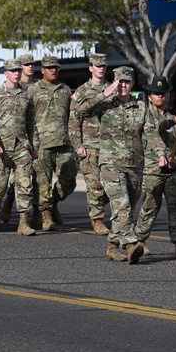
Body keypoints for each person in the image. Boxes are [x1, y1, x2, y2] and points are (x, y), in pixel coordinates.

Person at [95, 66, 168, 264]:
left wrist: (161, 152)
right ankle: (131, 244)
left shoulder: (141, 107)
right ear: (114, 82)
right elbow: (80, 109)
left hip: (135, 165)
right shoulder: (104, 104)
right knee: (122, 204)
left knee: (125, 209)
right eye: (120, 82)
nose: (123, 86)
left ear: (133, 84)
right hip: (110, 163)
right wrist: (104, 93)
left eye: (127, 82)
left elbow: (151, 132)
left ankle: (112, 247)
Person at [135, 75, 176, 259]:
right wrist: (175, 121)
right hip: (153, 171)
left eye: (163, 93)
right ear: (149, 96)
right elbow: (155, 129)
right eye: (156, 93)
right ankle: (140, 242)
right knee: (150, 206)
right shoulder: (145, 117)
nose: (160, 96)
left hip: (174, 172)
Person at [0, 57, 37, 236]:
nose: (16, 74)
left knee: (25, 184)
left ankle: (23, 222)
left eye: (18, 71)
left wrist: (34, 146)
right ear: (5, 73)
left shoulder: (26, 95)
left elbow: (31, 123)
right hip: (2, 147)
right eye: (13, 71)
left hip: (22, 145)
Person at [29, 55, 77, 231]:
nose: (53, 70)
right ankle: (46, 215)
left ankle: (54, 201)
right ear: (42, 70)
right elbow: (28, 118)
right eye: (50, 68)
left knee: (69, 179)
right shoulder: (33, 90)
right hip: (41, 143)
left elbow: (72, 116)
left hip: (63, 142)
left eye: (56, 68)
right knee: (43, 183)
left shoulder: (65, 90)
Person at [70, 53, 111, 234]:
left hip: (111, 147)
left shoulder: (113, 89)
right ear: (91, 68)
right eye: (97, 65)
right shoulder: (81, 92)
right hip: (90, 146)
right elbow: (74, 121)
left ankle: (96, 208)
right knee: (94, 185)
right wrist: (78, 144)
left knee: (112, 187)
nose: (101, 68)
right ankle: (98, 220)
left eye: (103, 66)